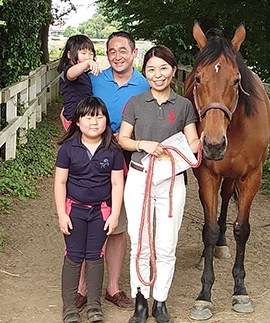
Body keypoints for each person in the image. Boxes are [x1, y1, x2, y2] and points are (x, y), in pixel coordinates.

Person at [118, 46, 200, 323]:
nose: (158, 74)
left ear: (173, 71)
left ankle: (160, 300)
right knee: (139, 241)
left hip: (172, 181)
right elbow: (123, 139)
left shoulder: (184, 105)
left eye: (163, 68)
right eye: (151, 69)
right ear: (146, 72)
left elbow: (192, 141)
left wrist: (201, 142)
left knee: (166, 243)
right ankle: (141, 299)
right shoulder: (136, 102)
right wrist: (143, 144)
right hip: (141, 176)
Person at [75, 31, 151, 312]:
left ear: (134, 54)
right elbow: (72, 105)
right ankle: (82, 288)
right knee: (83, 221)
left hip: (127, 162)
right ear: (106, 55)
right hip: (91, 160)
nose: (117, 56)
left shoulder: (145, 85)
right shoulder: (94, 79)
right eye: (111, 51)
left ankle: (113, 288)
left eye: (123, 50)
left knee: (116, 226)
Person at [55, 96, 125, 323]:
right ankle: (69, 307)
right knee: (74, 256)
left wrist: (114, 214)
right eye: (87, 116)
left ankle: (94, 306)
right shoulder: (68, 149)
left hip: (101, 212)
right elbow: (60, 183)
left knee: (96, 256)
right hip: (74, 210)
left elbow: (117, 183)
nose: (94, 122)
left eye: (99, 116)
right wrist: (61, 214)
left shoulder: (113, 150)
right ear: (77, 121)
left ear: (106, 120)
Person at [57, 34, 100, 130]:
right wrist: (87, 63)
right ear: (69, 55)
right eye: (83, 53)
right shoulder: (69, 71)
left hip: (82, 118)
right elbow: (71, 74)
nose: (88, 57)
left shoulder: (84, 75)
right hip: (75, 119)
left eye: (91, 54)